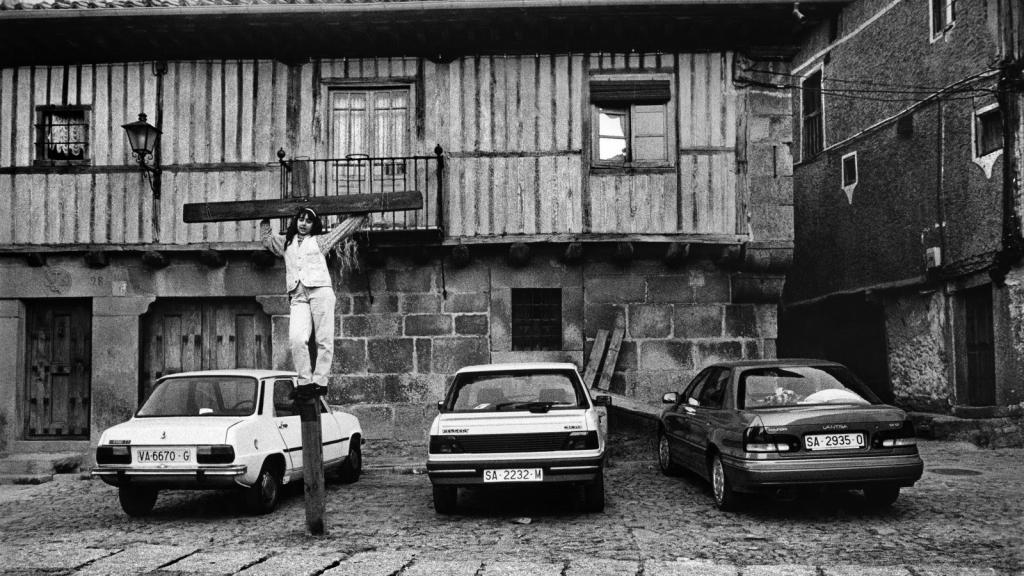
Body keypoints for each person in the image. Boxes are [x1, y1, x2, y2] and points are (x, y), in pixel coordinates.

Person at [260, 208, 367, 397]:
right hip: (298, 296)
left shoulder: (320, 241)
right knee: (296, 339)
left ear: (313, 225)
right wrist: (264, 217)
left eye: (308, 221)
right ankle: (304, 382)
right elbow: (267, 239)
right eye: (301, 220)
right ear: (296, 222)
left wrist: (363, 212)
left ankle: (320, 381)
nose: (303, 224)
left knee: (324, 339)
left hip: (320, 292)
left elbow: (344, 230)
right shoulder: (286, 243)